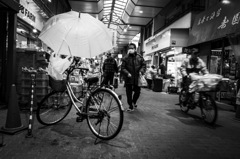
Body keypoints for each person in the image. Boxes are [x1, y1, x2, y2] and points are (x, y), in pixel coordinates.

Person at [121, 43, 146, 112]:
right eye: (129, 48)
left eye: (132, 48)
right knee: (128, 93)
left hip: (137, 78)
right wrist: (127, 73)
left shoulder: (140, 57)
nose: (131, 50)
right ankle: (130, 106)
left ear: (135, 49)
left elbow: (144, 66)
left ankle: (133, 102)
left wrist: (141, 71)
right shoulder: (125, 58)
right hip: (128, 78)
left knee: (137, 92)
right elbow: (122, 68)